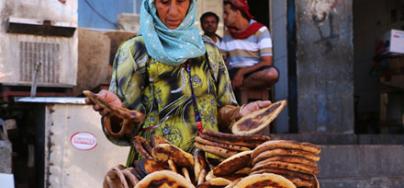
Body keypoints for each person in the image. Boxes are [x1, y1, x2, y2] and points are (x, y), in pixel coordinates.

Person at [85, 0, 271, 166]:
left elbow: (222, 111)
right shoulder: (135, 51)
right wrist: (117, 113)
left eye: (181, 2)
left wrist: (239, 113)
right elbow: (128, 129)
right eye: (164, 2)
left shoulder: (208, 51)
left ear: (191, 4)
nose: (173, 12)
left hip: (209, 168)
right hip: (157, 169)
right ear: (152, 4)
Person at [219, 0, 279, 90]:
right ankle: (235, 85)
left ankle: (235, 86)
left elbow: (267, 62)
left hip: (253, 71)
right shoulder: (227, 34)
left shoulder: (261, 31)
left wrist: (241, 73)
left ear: (237, 13)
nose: (223, 17)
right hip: (233, 72)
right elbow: (221, 59)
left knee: (272, 74)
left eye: (226, 13)